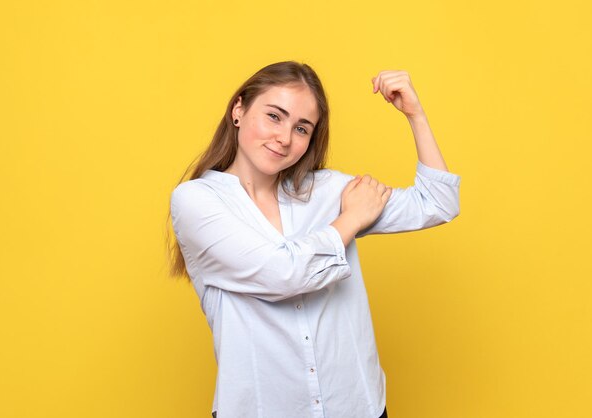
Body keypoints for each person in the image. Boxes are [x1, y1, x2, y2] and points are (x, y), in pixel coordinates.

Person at [166, 61, 461, 418]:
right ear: (239, 109)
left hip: (358, 407)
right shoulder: (197, 200)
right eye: (275, 116)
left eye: (301, 128)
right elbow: (283, 273)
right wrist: (350, 219)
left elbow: (437, 204)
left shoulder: (326, 190)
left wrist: (415, 114)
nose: (285, 138)